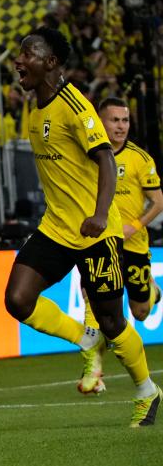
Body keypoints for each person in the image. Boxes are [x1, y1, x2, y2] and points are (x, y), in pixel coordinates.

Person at [5, 28, 159, 427]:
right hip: (56, 228)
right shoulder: (35, 107)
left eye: (28, 54)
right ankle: (83, 337)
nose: (19, 61)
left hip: (96, 233)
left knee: (113, 320)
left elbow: (106, 159)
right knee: (17, 300)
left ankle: (146, 391)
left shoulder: (75, 106)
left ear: (51, 62)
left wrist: (100, 213)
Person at [76, 97, 163, 395]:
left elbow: (159, 201)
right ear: (100, 122)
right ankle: (93, 370)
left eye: (125, 120)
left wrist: (134, 226)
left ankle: (149, 290)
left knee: (139, 312)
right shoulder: (87, 155)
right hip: (101, 242)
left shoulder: (140, 158)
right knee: (92, 298)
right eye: (115, 120)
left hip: (134, 246)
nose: (121, 126)